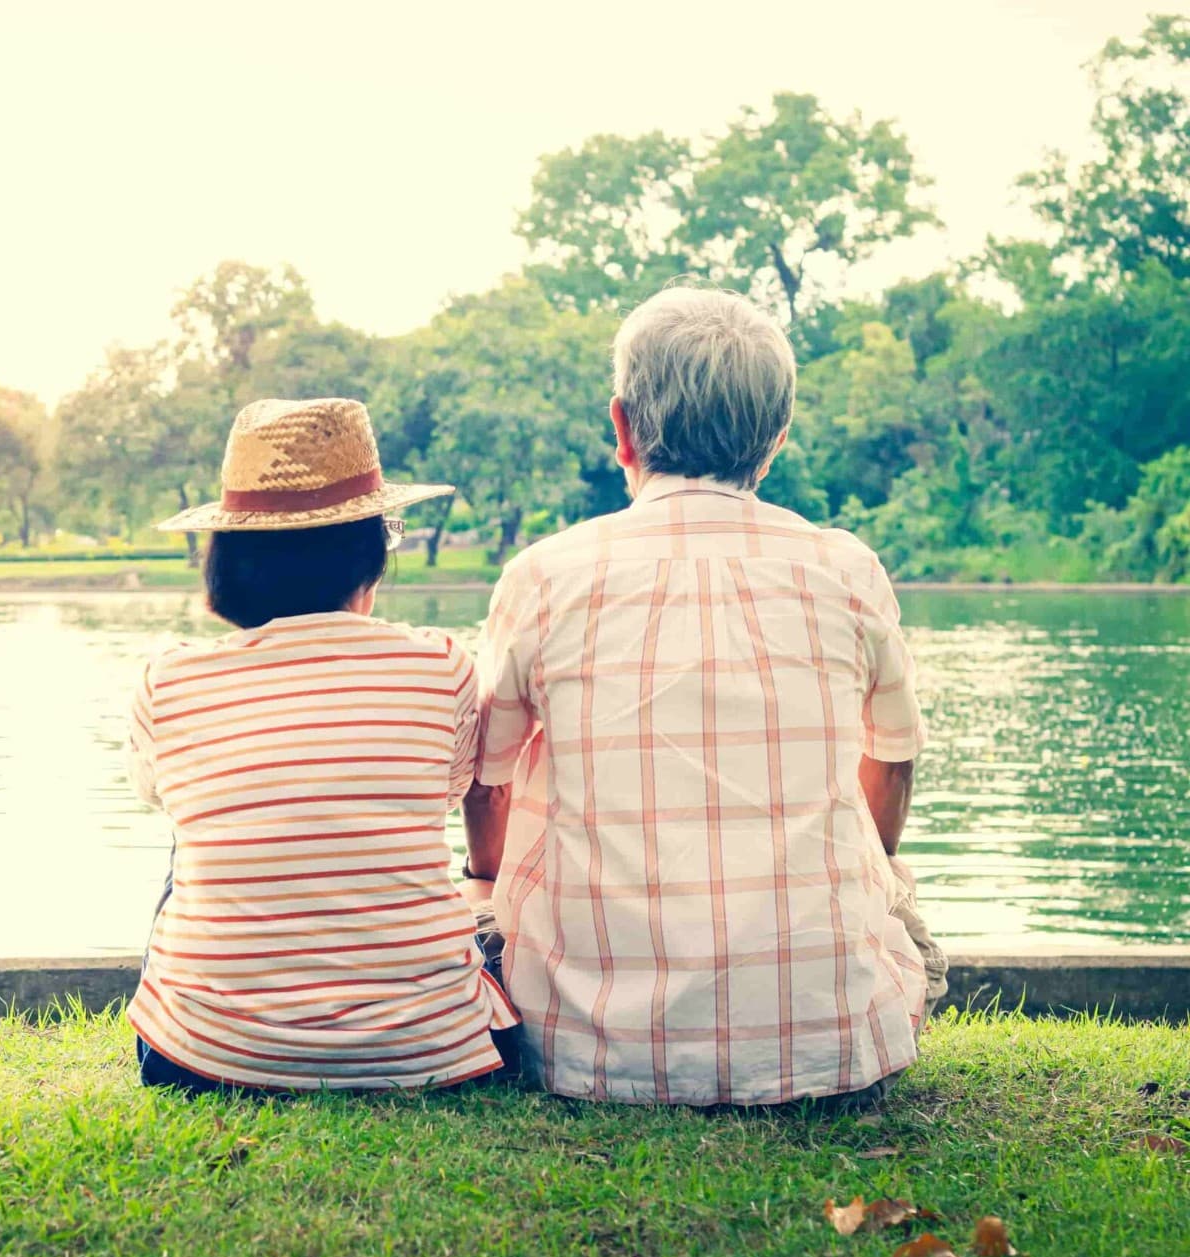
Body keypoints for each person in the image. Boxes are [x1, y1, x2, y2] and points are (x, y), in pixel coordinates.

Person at [466, 284, 949, 1110]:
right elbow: (893, 764)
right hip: (829, 1043)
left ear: (622, 428)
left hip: (587, 1047)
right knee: (895, 898)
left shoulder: (543, 577)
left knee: (483, 897)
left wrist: (485, 885)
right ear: (778, 439)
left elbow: (490, 782)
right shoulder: (845, 569)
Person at [124, 397, 520, 1093]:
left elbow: (159, 795)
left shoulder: (168, 678)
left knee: (194, 829)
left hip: (200, 1056)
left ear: (228, 561)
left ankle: (237, 1002)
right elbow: (458, 789)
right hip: (429, 1048)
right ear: (367, 551)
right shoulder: (443, 665)